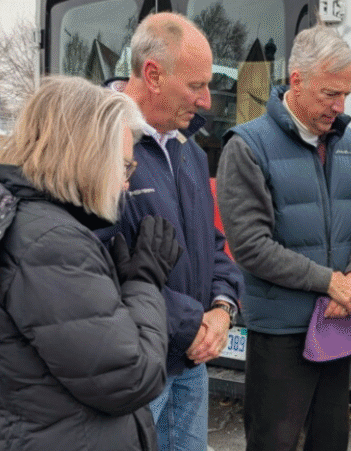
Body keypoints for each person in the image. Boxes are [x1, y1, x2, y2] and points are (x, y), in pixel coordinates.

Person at [0, 76, 179, 451]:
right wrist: (145, 281)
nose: (126, 184)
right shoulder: (49, 243)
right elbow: (131, 379)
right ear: (89, 157)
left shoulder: (34, 225)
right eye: (124, 167)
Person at [216, 21, 351, 451]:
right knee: (274, 442)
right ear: (297, 81)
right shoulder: (248, 146)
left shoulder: (346, 141)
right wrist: (328, 281)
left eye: (345, 93)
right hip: (280, 332)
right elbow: (250, 246)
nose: (339, 105)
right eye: (330, 94)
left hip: (336, 323)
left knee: (331, 441)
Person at [99, 11, 244, 451]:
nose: (207, 102)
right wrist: (191, 323)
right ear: (153, 74)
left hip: (191, 363)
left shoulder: (190, 151)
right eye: (196, 86)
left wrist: (222, 310)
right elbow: (98, 269)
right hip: (138, 371)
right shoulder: (100, 146)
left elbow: (211, 246)